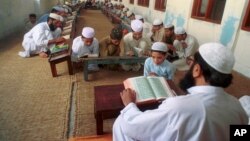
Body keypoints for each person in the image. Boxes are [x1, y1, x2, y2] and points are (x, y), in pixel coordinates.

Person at [113, 42, 249, 141]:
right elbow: (240, 134)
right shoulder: (237, 106)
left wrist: (130, 105)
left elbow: (135, 125)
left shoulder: (179, 106)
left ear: (197, 70)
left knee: (121, 122)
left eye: (191, 63)